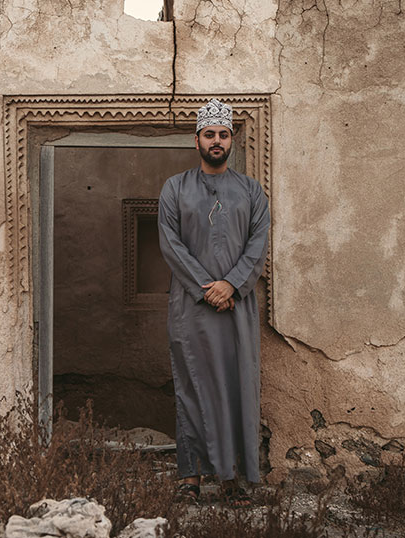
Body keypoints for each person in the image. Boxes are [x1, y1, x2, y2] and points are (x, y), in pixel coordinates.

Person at [157, 98, 270, 506]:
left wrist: (232, 284)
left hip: (237, 308)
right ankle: (191, 476)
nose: (217, 140)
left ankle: (233, 477)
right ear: (197, 140)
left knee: (238, 384)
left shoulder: (252, 191)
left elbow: (258, 246)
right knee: (192, 385)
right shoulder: (175, 188)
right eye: (210, 134)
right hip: (192, 307)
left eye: (223, 134)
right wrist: (208, 286)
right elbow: (170, 245)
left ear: (232, 139)